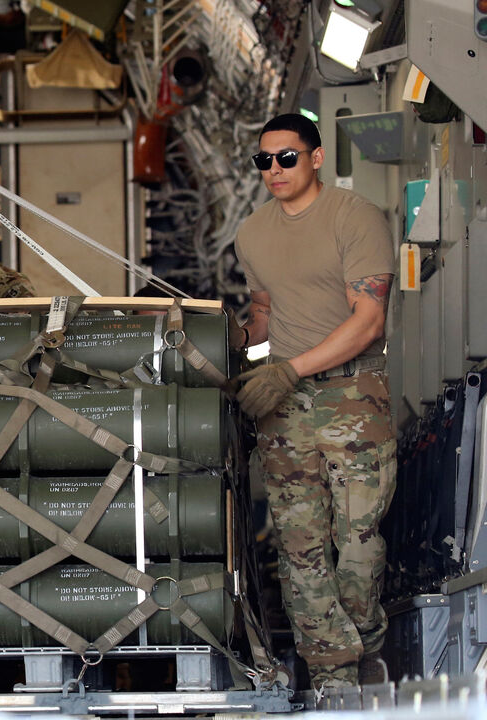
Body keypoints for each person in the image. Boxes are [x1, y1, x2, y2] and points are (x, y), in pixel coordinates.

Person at [230, 114, 396, 690]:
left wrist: (290, 370)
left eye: (286, 158)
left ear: (316, 158)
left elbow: (368, 320)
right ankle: (332, 674)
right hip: (286, 408)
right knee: (300, 545)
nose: (273, 170)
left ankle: (366, 643)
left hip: (353, 397)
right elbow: (266, 316)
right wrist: (228, 348)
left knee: (359, 538)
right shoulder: (252, 234)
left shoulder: (356, 218)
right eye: (263, 161)